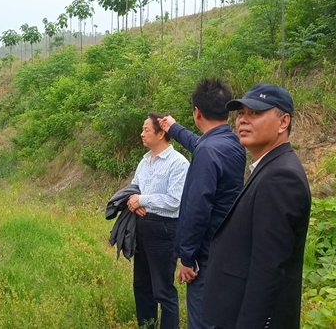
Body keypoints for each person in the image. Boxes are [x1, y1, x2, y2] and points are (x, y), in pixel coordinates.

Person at [202, 83, 311, 329]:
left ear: (284, 122)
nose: (243, 121)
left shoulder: (281, 177)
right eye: (241, 113)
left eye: (255, 113)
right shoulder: (269, 167)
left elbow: (268, 268)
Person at [158, 78, 246, 329]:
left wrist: (186, 258)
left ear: (197, 111)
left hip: (205, 256)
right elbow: (200, 144)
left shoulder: (209, 151)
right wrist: (174, 128)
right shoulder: (232, 142)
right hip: (226, 249)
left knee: (202, 321)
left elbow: (197, 209)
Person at [129, 112, 190, 329]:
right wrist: (133, 204)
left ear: (162, 132)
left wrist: (142, 200)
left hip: (164, 229)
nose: (142, 134)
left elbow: (175, 200)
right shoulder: (145, 161)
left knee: (163, 289)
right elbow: (134, 189)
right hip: (142, 226)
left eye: (146, 130)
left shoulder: (178, 163)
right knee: (142, 285)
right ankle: (146, 325)